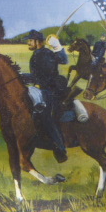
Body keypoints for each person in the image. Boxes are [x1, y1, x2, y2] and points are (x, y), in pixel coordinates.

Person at [21, 29, 70, 163]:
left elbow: (47, 75)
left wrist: (57, 47)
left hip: (50, 90)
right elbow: (37, 75)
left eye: (30, 40)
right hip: (42, 89)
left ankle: (60, 148)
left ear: (38, 42)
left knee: (47, 117)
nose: (28, 43)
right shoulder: (38, 53)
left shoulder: (45, 53)